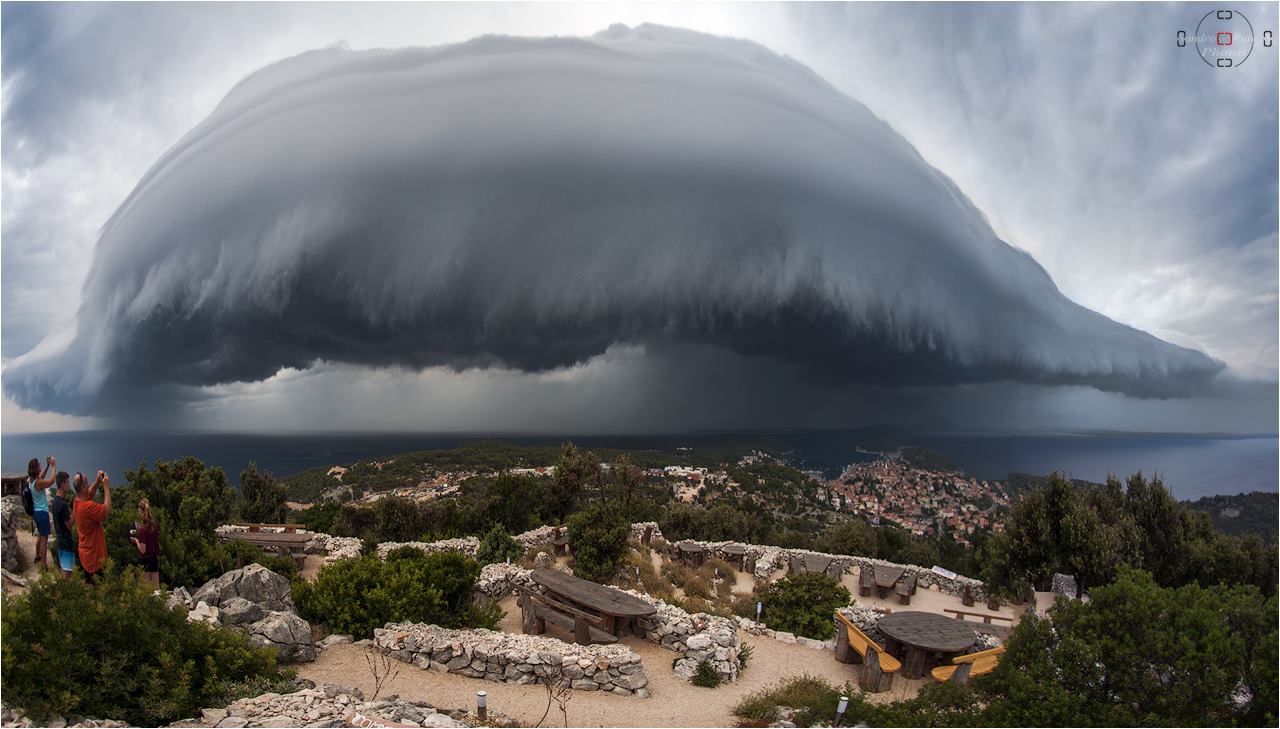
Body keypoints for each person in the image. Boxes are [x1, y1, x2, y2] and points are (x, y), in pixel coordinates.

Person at [73, 471, 111, 583]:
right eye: (87, 482)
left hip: (86, 555)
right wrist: (106, 487)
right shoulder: (87, 507)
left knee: (90, 587)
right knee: (99, 592)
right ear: (83, 488)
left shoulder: (76, 501)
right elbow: (107, 510)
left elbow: (88, 493)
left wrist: (97, 481)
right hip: (95, 559)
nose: (89, 484)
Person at [25, 456, 56, 568]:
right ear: (35, 468)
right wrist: (53, 466)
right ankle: (44, 565)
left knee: (40, 537)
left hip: (35, 513)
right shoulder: (38, 483)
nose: (40, 465)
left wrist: (48, 465)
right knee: (44, 540)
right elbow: (51, 481)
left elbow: (41, 476)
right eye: (39, 465)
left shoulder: (31, 480)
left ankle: (37, 556)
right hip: (42, 513)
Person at [50, 472, 76, 579]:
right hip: (66, 543)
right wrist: (75, 510)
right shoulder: (63, 505)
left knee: (62, 574)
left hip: (59, 542)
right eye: (67, 482)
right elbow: (69, 525)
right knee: (67, 576)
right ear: (62, 485)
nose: (69, 485)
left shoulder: (55, 502)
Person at [131, 497, 160, 587]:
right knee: (156, 588)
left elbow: (143, 550)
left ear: (140, 511)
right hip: (154, 558)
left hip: (144, 560)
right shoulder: (154, 525)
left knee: (147, 590)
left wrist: (136, 541)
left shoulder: (143, 530)